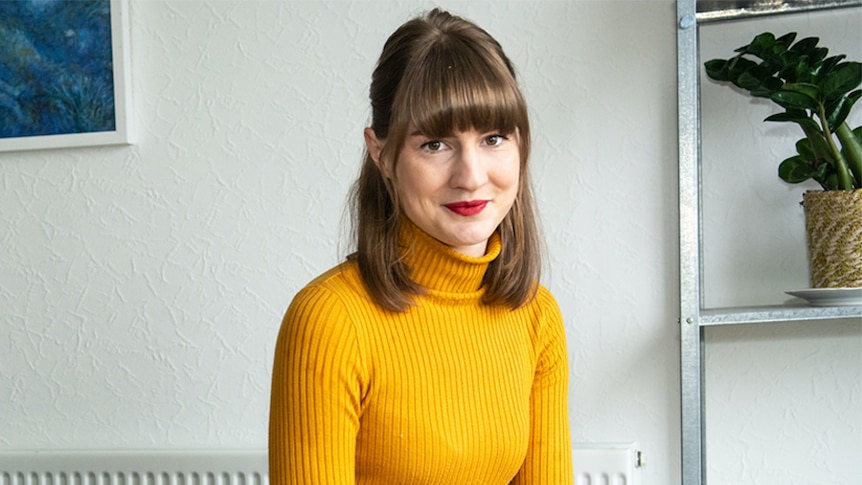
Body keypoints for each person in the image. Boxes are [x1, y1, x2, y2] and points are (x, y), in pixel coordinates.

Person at [269, 8, 572, 484]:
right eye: (435, 144)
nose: (471, 176)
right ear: (381, 153)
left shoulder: (537, 318)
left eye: (493, 138)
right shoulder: (330, 320)